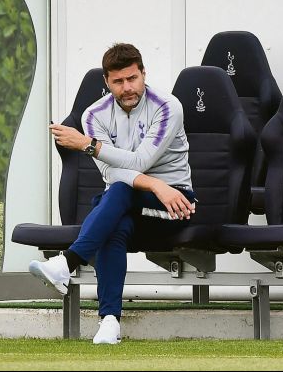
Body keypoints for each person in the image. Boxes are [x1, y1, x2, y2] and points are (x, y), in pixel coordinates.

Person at [29, 43, 196, 345]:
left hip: (173, 204)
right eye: (118, 81)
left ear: (143, 74)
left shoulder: (167, 107)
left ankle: (67, 263)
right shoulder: (94, 114)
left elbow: (140, 161)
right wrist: (153, 183)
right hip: (127, 203)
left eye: (132, 78)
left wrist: (88, 145)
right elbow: (110, 173)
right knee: (114, 219)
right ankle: (109, 322)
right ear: (107, 82)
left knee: (114, 198)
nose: (127, 87)